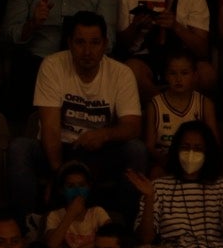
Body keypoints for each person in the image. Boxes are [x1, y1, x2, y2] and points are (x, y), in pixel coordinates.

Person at [10, 11, 147, 216]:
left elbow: (133, 126)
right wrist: (60, 174)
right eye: (80, 42)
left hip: (99, 151)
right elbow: (50, 129)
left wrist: (105, 134)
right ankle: (25, 226)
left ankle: (126, 227)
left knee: (136, 150)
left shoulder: (120, 73)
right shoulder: (53, 65)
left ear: (105, 44)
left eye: (94, 42)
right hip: (58, 149)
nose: (87, 51)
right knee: (19, 148)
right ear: (69, 43)